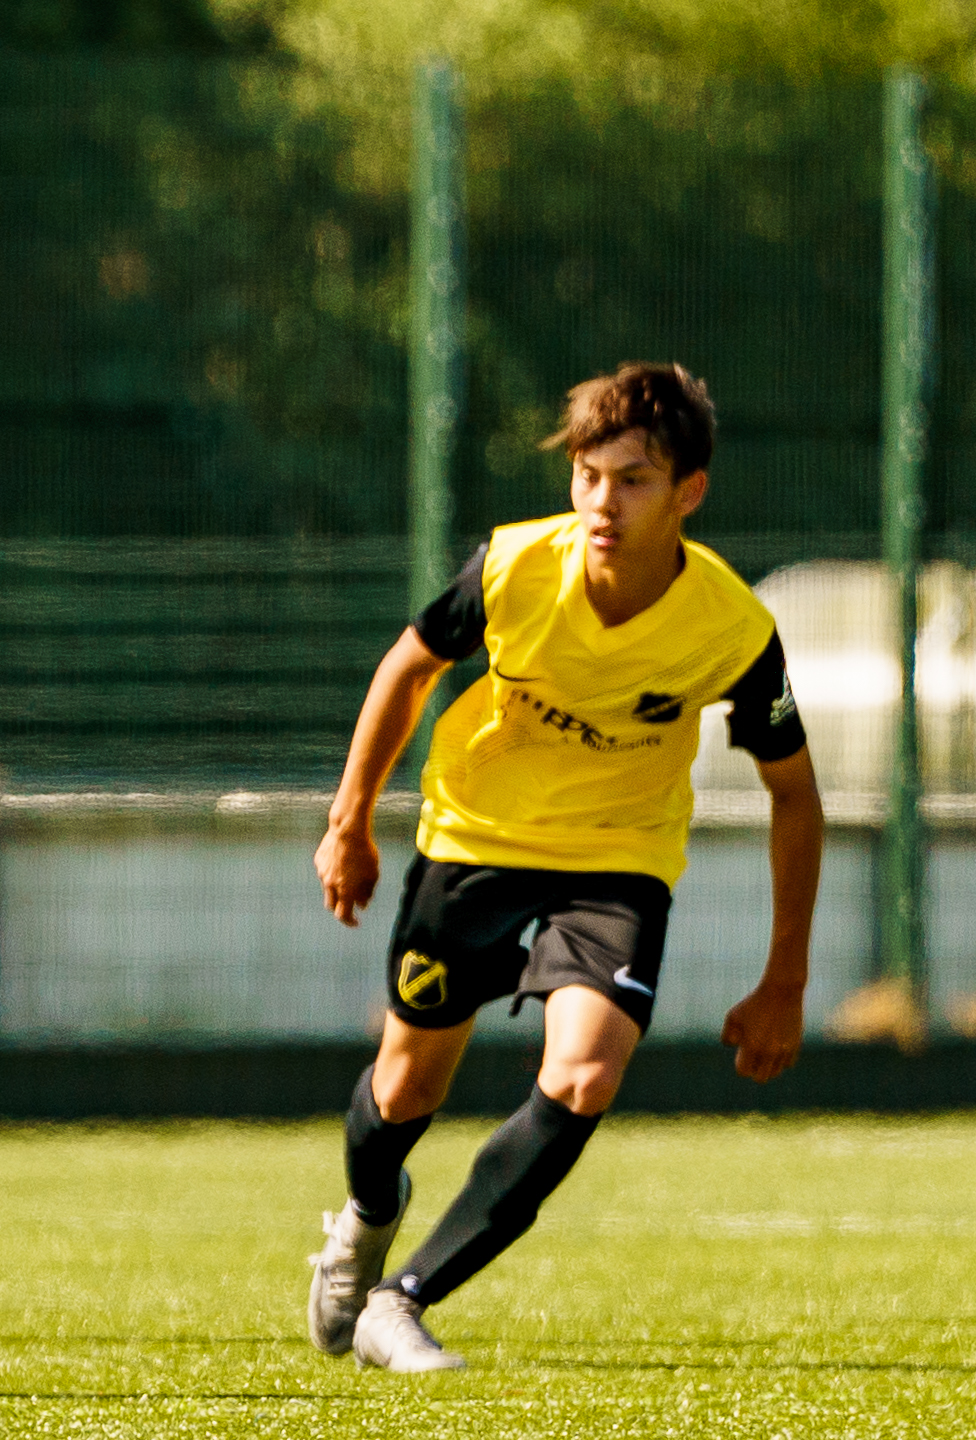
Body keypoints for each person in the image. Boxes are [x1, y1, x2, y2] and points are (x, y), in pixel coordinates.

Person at [304, 364, 823, 1371]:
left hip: (615, 863)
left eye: (630, 480)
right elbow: (408, 666)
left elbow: (793, 794)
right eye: (586, 475)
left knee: (583, 1072)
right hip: (475, 839)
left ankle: (399, 1302)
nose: (599, 502)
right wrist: (350, 822)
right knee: (404, 1091)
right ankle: (367, 1217)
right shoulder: (511, 567)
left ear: (688, 493)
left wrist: (784, 980)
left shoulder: (730, 629)